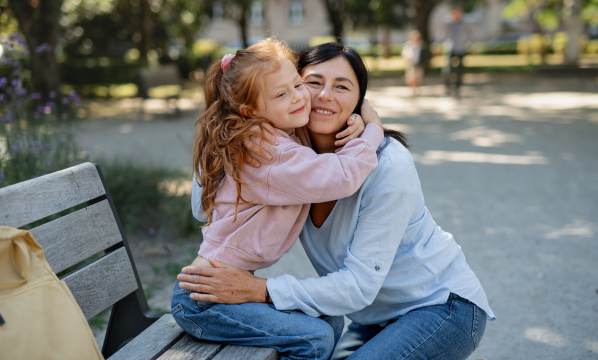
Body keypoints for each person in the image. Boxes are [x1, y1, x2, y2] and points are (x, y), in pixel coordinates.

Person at [179, 42, 495, 360]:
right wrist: (227, 120)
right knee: (319, 334)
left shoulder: (386, 165)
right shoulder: (287, 152)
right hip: (371, 317)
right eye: (313, 82)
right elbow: (200, 206)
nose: (324, 96)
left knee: (320, 335)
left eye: (342, 87)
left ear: (359, 100)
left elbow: (358, 285)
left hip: (442, 307)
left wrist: (261, 290)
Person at [171, 38, 386, 360]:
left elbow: (311, 142)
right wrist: (373, 131)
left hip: (218, 290)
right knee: (314, 339)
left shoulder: (276, 130)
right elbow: (340, 176)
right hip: (204, 300)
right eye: (281, 94)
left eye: (298, 84)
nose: (300, 98)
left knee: (326, 316)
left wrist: (353, 117)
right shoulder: (265, 152)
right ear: (250, 111)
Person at [441, 7, 470, 97]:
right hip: (450, 47)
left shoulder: (464, 23)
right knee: (447, 69)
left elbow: (469, 34)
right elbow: (442, 34)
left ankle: (458, 89)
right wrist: (437, 44)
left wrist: (472, 45)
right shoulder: (448, 23)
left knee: (460, 70)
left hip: (460, 48)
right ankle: (447, 89)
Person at [402, 30, 429, 96]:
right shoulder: (408, 44)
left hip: (419, 64)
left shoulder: (422, 45)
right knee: (410, 77)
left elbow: (426, 54)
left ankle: (417, 90)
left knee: (418, 78)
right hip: (411, 63)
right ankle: (412, 90)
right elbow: (404, 53)